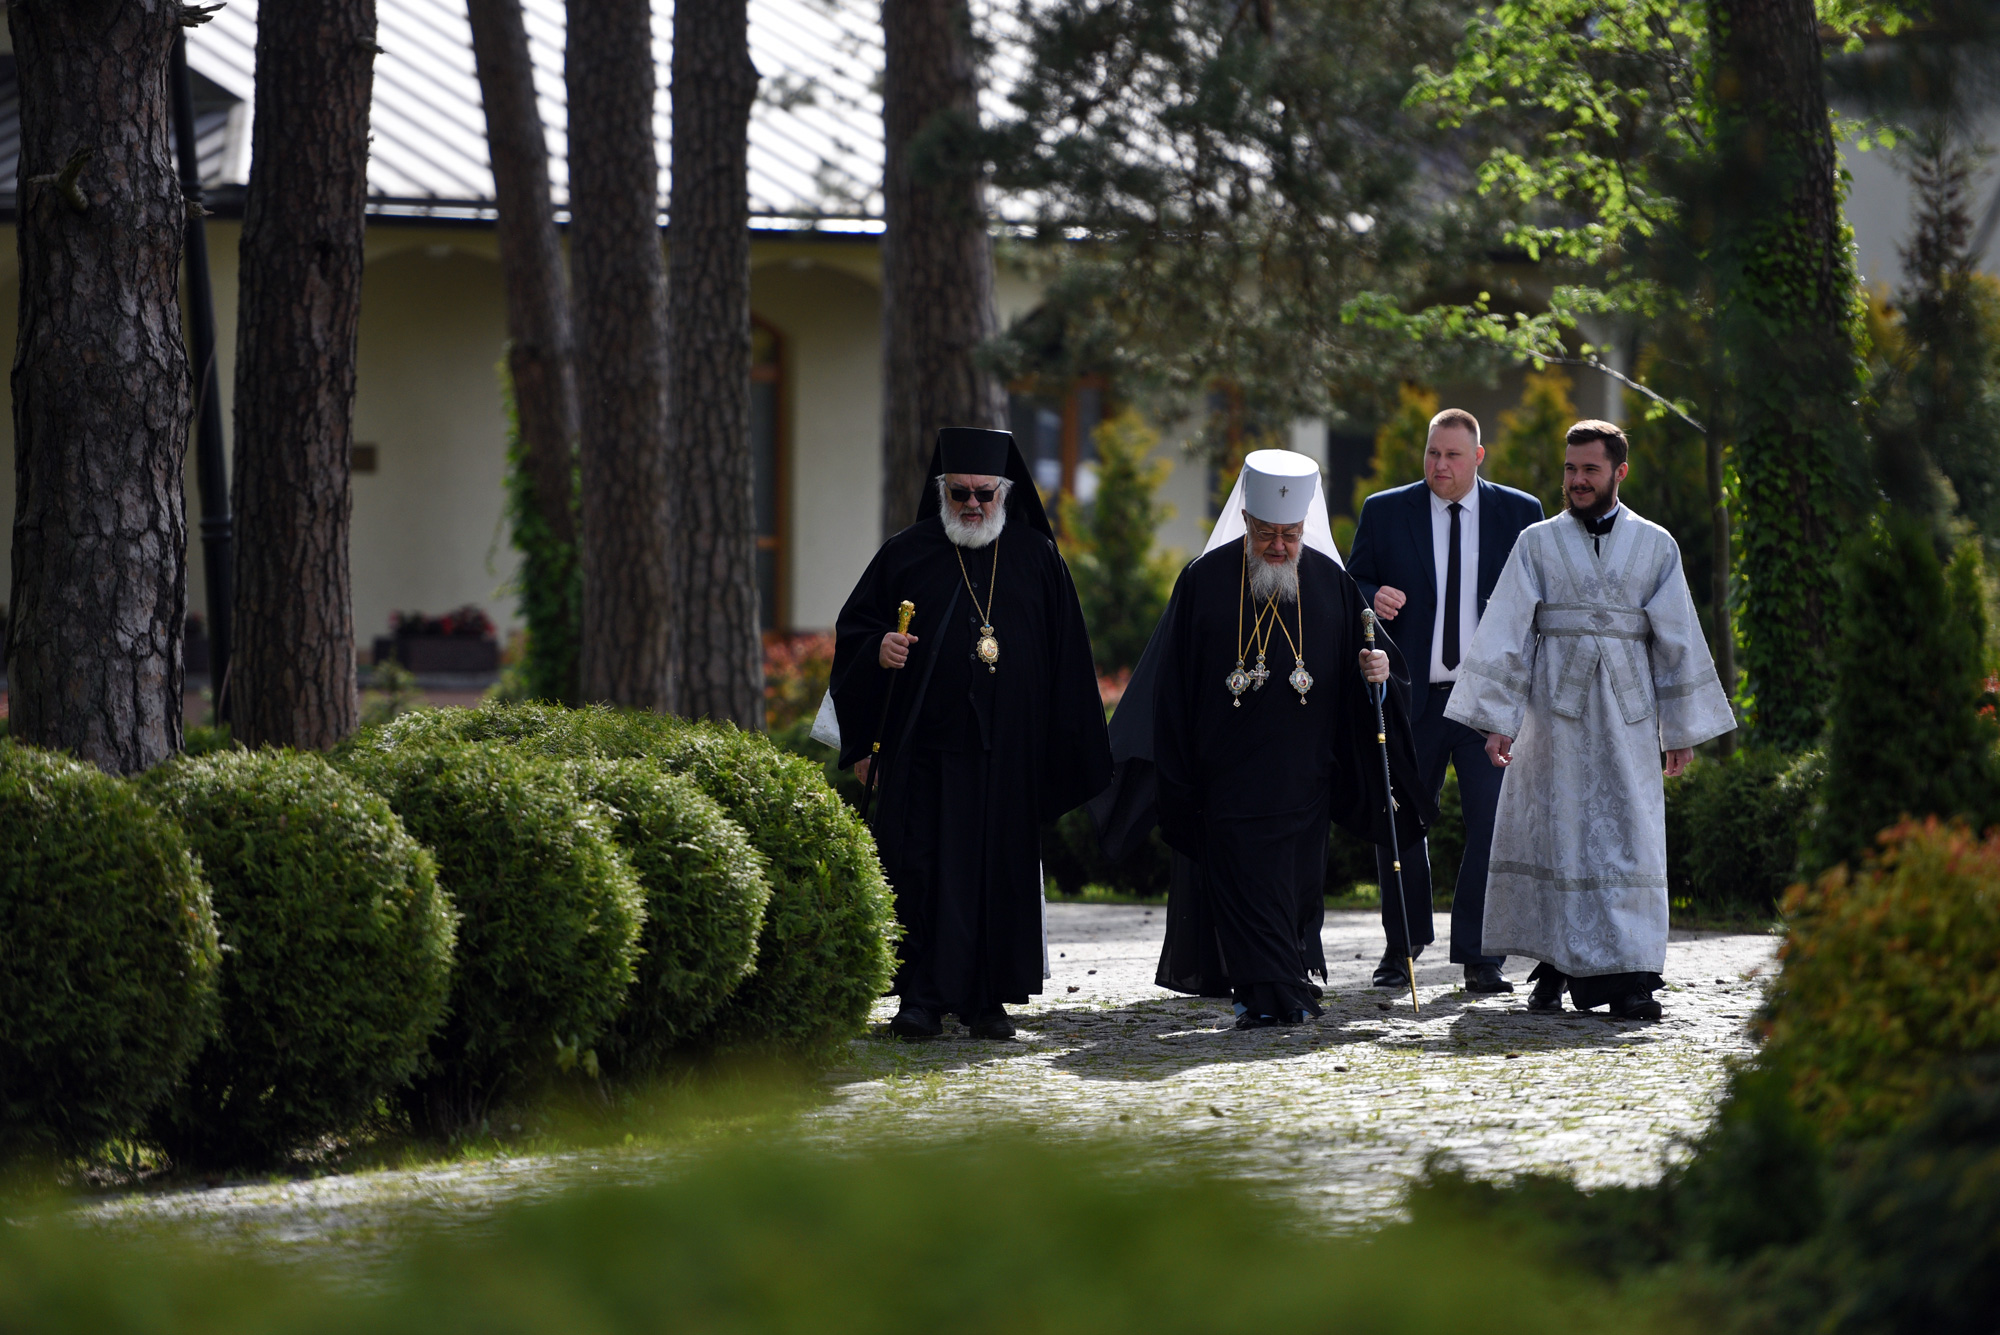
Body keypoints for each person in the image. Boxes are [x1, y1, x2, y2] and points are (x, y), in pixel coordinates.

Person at [1444, 420, 1735, 1020]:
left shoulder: (1657, 545)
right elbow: (1507, 633)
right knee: (1557, 834)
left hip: (1630, 719)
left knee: (1627, 841)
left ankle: (1631, 980)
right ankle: (1554, 963)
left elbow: (1677, 636)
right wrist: (1499, 719)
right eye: (1571, 469)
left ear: (1619, 472)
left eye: (1590, 470)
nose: (1577, 481)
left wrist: (1678, 730)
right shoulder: (1536, 542)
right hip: (1553, 715)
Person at [828, 427, 1112, 1040]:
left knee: (997, 873)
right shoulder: (907, 554)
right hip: (926, 750)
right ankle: (922, 998)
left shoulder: (1037, 559)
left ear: (1006, 494)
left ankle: (989, 998)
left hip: (1009, 753)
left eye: (986, 494)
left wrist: (1063, 754)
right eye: (961, 494)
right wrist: (878, 650)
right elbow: (854, 632)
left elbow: (1068, 661)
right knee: (924, 870)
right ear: (942, 491)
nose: (974, 507)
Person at [1140, 449, 1433, 1028]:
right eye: (1268, 534)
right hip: (1227, 775)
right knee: (1245, 887)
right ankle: (1265, 991)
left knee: (1295, 887)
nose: (1279, 547)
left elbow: (1374, 669)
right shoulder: (1203, 580)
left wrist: (1377, 673)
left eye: (1290, 536)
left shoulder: (1332, 583)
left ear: (1305, 529)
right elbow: (1173, 681)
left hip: (1306, 773)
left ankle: (1287, 980)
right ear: (1247, 523)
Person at [1346, 408, 1544, 995]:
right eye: (1433, 453)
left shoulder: (1520, 514)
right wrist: (1370, 596)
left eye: (1453, 455)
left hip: (1487, 700)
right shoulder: (1385, 510)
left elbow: (1537, 601)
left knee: (1490, 824)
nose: (1440, 465)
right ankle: (1401, 945)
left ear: (1478, 457)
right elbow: (1351, 582)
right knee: (1399, 821)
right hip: (1411, 697)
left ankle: (1480, 955)